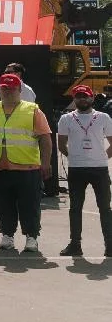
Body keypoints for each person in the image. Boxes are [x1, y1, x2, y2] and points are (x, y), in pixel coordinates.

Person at [0, 72, 53, 253]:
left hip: (27, 168)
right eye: (4, 88)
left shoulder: (33, 110)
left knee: (29, 205)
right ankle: (7, 235)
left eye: (12, 89)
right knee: (2, 205)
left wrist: (45, 163)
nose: (8, 92)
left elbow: (45, 138)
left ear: (19, 90)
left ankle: (32, 237)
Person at [57, 84, 112, 257]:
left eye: (85, 96)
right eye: (79, 96)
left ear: (92, 98)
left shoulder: (103, 117)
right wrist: (73, 157)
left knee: (105, 208)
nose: (82, 99)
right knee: (75, 208)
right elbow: (61, 144)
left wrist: (103, 157)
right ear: (74, 99)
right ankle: (75, 245)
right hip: (77, 169)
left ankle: (110, 245)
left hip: (99, 169)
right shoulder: (66, 119)